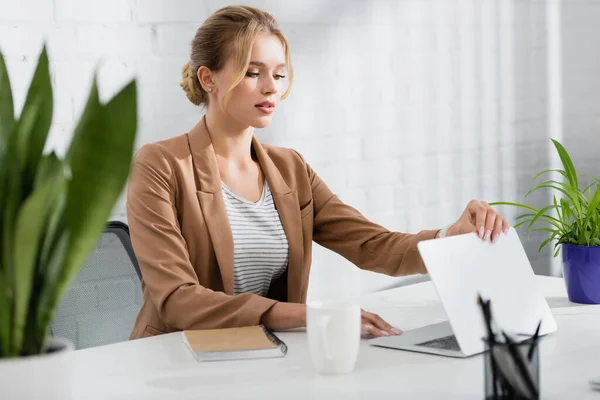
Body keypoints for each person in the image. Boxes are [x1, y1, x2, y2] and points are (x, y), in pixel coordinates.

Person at [127, 5, 509, 340]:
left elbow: (370, 245)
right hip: (176, 358)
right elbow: (177, 298)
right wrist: (307, 316)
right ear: (208, 79)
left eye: (278, 74)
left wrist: (449, 238)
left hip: (266, 357)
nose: (270, 88)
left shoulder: (290, 169)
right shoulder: (161, 165)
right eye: (252, 72)